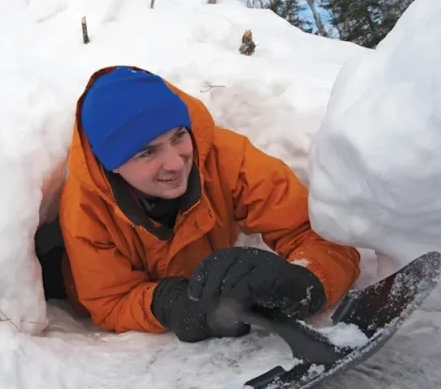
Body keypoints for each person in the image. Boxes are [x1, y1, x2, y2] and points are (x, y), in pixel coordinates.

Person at [54, 65, 360, 343]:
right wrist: (168, 303)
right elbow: (109, 301)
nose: (175, 162)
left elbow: (323, 234)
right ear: (112, 165)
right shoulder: (85, 210)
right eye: (147, 153)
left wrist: (305, 281)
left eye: (178, 136)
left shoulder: (227, 158)